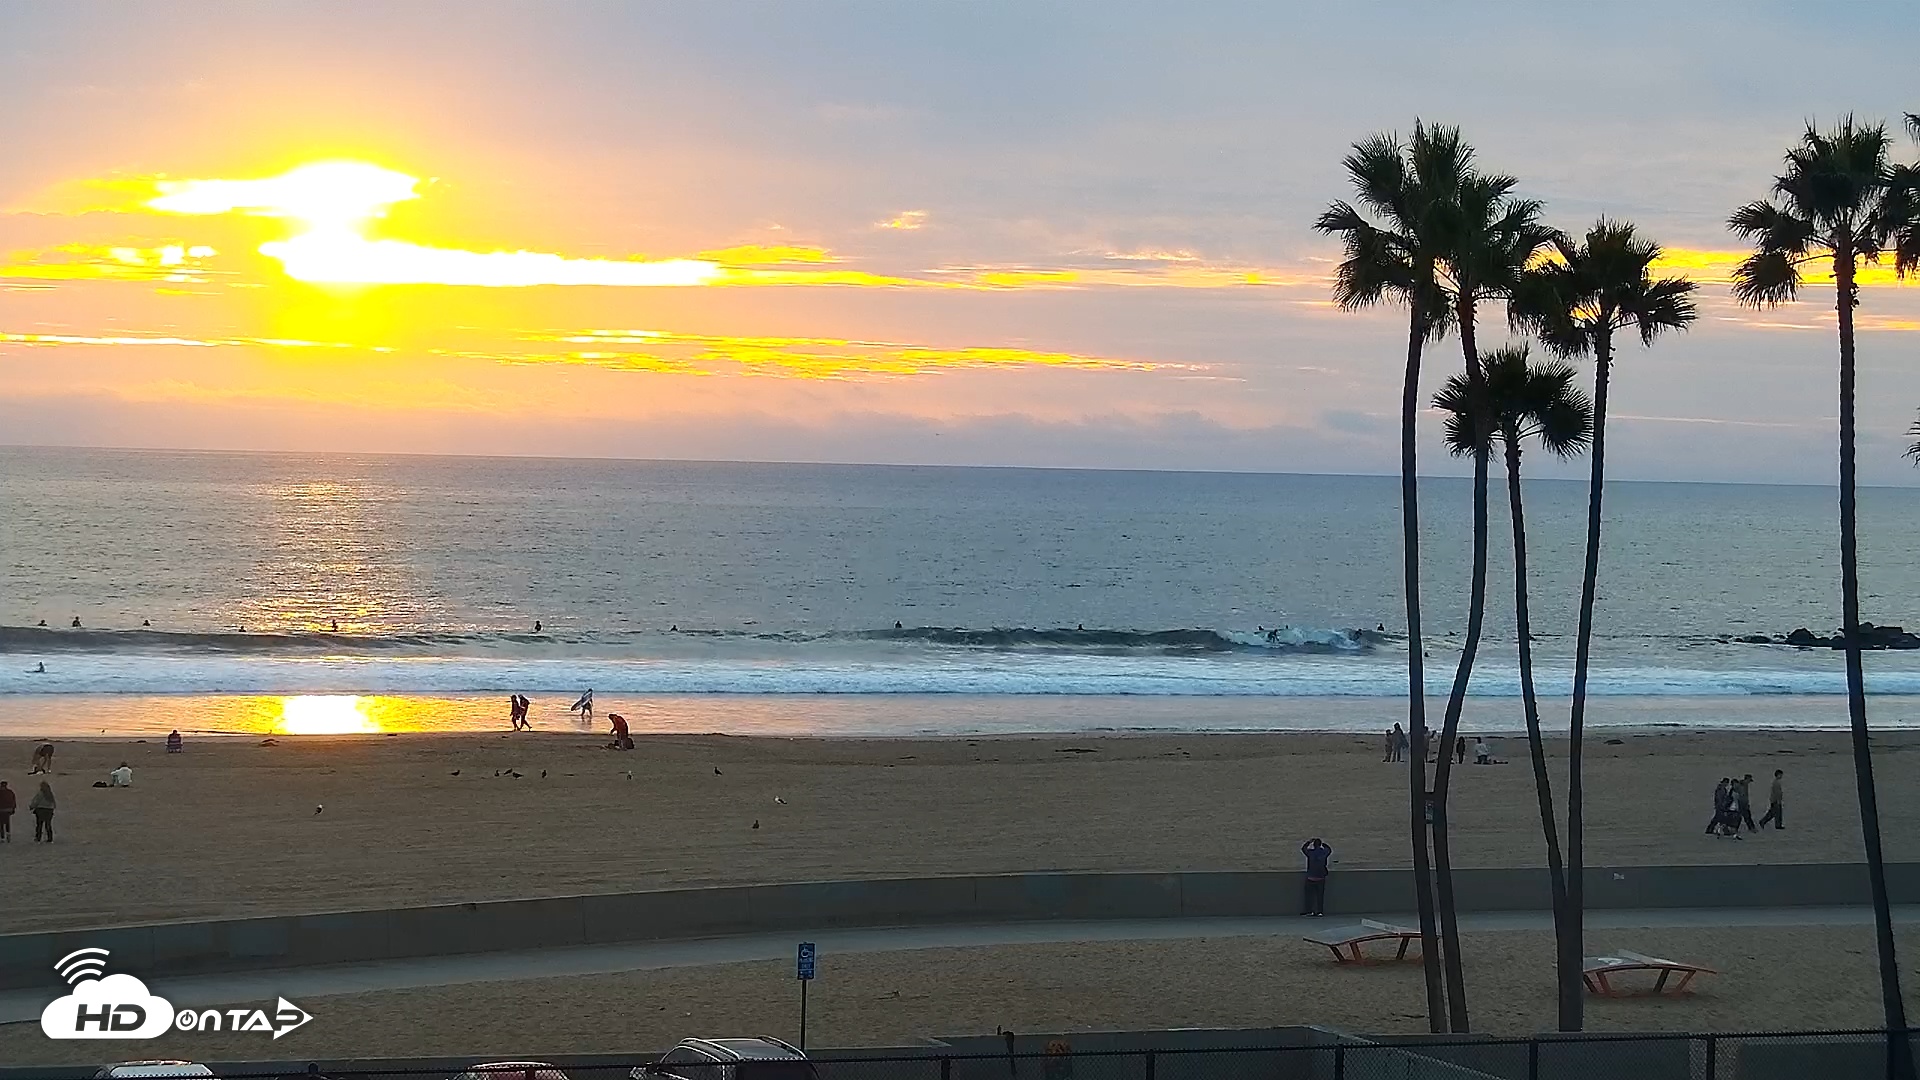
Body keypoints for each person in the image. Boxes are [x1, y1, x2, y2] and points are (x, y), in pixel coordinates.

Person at [1300, 838, 1333, 916]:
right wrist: (1324, 844)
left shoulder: (1310, 853)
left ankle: (1309, 911)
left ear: (1314, 845)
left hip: (1311, 877)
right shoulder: (1324, 852)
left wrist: (1309, 842)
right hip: (1321, 877)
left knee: (1309, 896)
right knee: (1320, 896)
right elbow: (1329, 850)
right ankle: (1319, 911)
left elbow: (1303, 849)